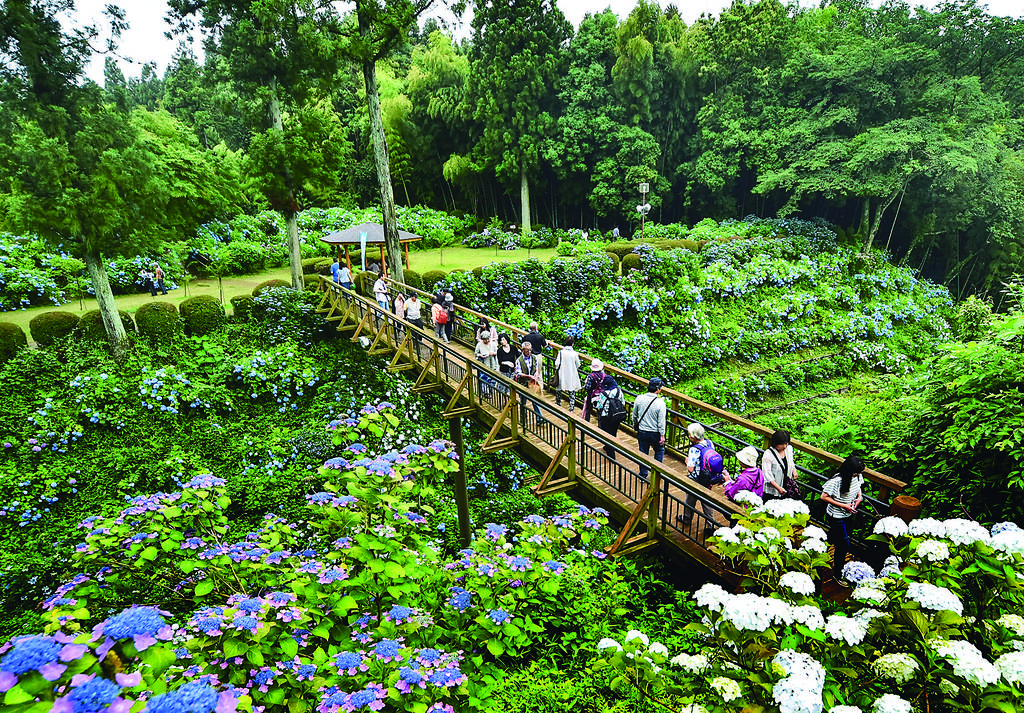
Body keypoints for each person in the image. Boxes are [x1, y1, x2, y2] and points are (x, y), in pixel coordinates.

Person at [821, 455, 866, 583]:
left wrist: (859, 498)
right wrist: (843, 505)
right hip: (836, 516)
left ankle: (820, 550)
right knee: (843, 545)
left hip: (848, 514)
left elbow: (858, 487)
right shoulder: (837, 480)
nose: (857, 475)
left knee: (833, 537)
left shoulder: (857, 476)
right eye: (855, 473)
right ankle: (838, 574)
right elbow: (824, 496)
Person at [680, 423, 723, 538]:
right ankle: (711, 525)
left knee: (690, 498)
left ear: (693, 437)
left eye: (689, 434)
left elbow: (690, 468)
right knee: (706, 501)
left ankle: (687, 518)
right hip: (708, 478)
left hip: (696, 479)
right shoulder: (710, 443)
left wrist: (687, 461)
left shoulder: (694, 449)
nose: (688, 436)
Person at [632, 377, 667, 479]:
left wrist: (635, 423)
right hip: (655, 432)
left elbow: (635, 414)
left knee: (643, 452)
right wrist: (662, 435)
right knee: (659, 450)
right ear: (658, 389)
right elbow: (661, 422)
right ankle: (656, 474)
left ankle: (643, 475)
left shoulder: (639, 398)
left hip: (642, 430)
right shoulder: (660, 403)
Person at [593, 374, 624, 459]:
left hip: (605, 416)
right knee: (613, 432)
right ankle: (608, 447)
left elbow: (599, 406)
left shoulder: (603, 394)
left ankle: (611, 455)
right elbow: (623, 403)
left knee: (606, 434)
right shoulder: (619, 391)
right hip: (616, 416)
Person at [514, 341, 544, 422]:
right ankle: (523, 420)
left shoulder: (534, 357)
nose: (529, 352)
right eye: (527, 350)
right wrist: (528, 376)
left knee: (535, 400)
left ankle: (539, 418)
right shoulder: (519, 360)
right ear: (523, 350)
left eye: (530, 350)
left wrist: (536, 373)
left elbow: (536, 367)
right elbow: (518, 373)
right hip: (523, 383)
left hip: (532, 383)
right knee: (523, 401)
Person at [762, 430, 795, 500]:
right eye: (782, 444)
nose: (785, 446)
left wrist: (794, 470)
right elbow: (767, 474)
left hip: (786, 488)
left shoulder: (788, 449)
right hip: (773, 491)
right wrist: (778, 488)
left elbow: (790, 461)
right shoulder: (768, 454)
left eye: (787, 443)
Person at [554, 336, 582, 410]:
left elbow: (557, 363)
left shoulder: (561, 352)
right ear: (572, 344)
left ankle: (558, 403)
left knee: (559, 388)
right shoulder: (575, 354)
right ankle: (571, 407)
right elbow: (578, 364)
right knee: (571, 389)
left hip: (562, 373)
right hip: (571, 374)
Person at [475, 330, 498, 397]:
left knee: (493, 378)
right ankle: (486, 392)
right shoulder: (479, 345)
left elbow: (497, 352)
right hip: (484, 363)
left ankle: (491, 389)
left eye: (488, 339)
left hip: (492, 363)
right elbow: (476, 353)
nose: (487, 341)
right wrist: (480, 355)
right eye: (485, 340)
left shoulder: (493, 344)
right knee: (485, 378)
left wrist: (493, 353)